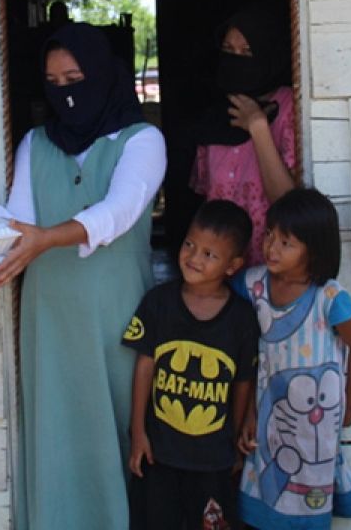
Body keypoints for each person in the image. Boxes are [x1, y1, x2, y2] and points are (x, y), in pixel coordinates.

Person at [0, 21, 166, 530]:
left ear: (104, 76)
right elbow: (15, 219)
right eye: (53, 82)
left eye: (75, 77)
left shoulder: (143, 140)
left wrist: (45, 238)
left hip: (118, 314)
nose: (65, 92)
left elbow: (118, 211)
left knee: (117, 427)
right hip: (51, 314)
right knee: (58, 431)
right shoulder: (34, 145)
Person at [236, 187, 351, 529]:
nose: (271, 248)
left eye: (286, 243)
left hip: (315, 423)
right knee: (263, 489)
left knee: (307, 490)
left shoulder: (329, 297)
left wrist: (349, 405)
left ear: (314, 250)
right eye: (269, 235)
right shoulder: (255, 285)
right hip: (268, 414)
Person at [123, 199, 260, 530]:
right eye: (190, 245)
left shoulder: (241, 318)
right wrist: (139, 432)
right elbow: (144, 367)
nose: (194, 258)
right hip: (160, 453)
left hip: (213, 458)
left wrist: (234, 440)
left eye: (209, 254)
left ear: (233, 265)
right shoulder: (159, 303)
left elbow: (242, 382)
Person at [190, 6, 297, 265]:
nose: (237, 60)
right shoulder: (215, 115)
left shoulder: (289, 107)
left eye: (248, 51)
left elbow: (288, 205)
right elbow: (206, 202)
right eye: (228, 50)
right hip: (222, 272)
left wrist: (258, 127)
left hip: (273, 271)